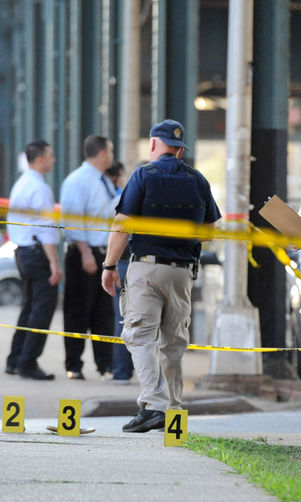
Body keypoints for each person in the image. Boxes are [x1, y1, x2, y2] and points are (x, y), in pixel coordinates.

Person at [101, 119, 221, 433]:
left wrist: (109, 266)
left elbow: (121, 226)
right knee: (173, 343)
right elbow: (210, 234)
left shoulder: (143, 175)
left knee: (139, 335)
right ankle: (174, 409)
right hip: (182, 273)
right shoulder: (198, 180)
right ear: (181, 150)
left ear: (154, 144)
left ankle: (153, 404)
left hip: (146, 268)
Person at [60, 135, 116, 380]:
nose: (112, 156)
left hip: (103, 254)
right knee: (77, 312)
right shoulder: (78, 180)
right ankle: (74, 365)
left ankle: (105, 365)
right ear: (102, 153)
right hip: (84, 253)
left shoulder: (104, 181)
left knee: (103, 313)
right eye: (111, 151)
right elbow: (72, 221)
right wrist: (85, 254)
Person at [4, 140, 62, 380]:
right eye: (50, 155)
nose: (53, 159)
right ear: (40, 159)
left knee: (29, 307)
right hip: (37, 253)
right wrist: (54, 264)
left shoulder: (21, 183)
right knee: (41, 309)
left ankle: (16, 359)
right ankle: (27, 363)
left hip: (23, 251)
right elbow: (46, 228)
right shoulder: (40, 188)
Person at [105, 161, 135, 384]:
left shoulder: (122, 200)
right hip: (154, 265)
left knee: (122, 319)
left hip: (125, 265)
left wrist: (109, 265)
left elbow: (115, 232)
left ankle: (122, 371)